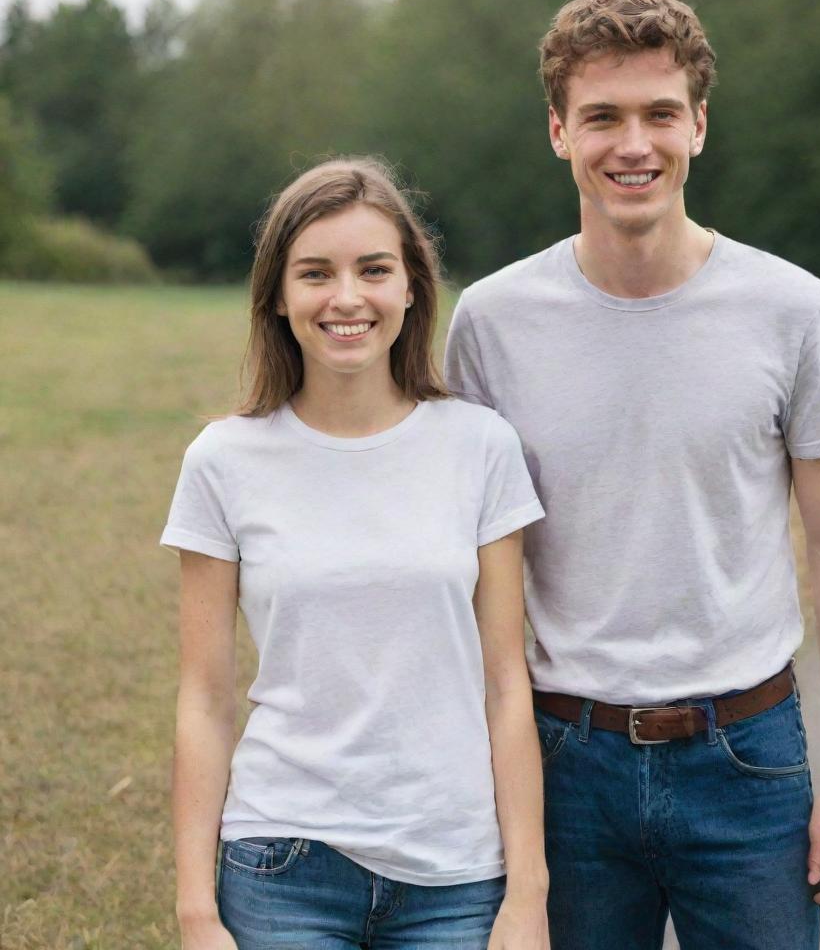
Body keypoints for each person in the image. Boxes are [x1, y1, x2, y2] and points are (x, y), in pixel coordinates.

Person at [444, 0, 820, 950]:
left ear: (698, 127)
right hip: (562, 763)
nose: (632, 144)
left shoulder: (792, 309)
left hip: (748, 756)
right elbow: (468, 565)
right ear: (557, 130)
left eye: (658, 114)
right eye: (601, 116)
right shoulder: (490, 324)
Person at [162, 157, 550, 950]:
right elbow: (204, 700)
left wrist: (528, 892)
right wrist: (196, 910)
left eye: (373, 270)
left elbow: (508, 683)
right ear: (277, 294)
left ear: (411, 286)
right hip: (282, 864)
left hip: (457, 873)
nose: (347, 298)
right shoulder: (222, 460)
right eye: (315, 273)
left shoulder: (480, 446)